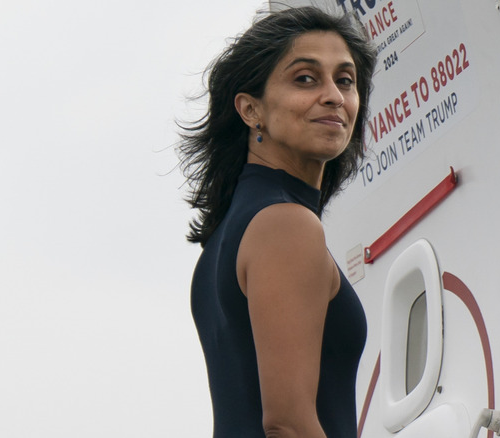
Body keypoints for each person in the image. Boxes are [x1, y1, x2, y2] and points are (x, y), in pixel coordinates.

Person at [178, 6, 377, 438]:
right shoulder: (286, 226)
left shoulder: (224, 240)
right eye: (305, 78)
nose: (333, 96)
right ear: (251, 110)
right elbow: (288, 424)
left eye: (345, 80)